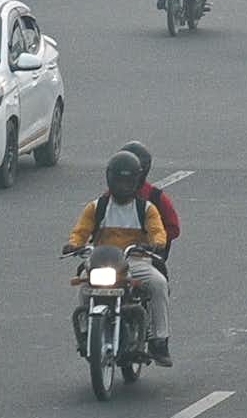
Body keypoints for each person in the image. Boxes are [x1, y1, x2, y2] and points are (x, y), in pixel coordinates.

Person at [63, 151, 172, 366]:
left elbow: (158, 231)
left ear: (137, 181)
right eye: (119, 181)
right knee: (84, 289)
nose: (123, 186)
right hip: (102, 261)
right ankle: (86, 332)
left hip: (135, 261)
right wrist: (74, 244)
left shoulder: (147, 209)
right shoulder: (97, 207)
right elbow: (80, 231)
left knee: (159, 284)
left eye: (128, 181)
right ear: (110, 179)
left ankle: (160, 340)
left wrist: (157, 242)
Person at [118, 139, 182, 271]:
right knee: (85, 275)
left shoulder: (156, 198)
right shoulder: (107, 198)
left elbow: (173, 228)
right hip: (114, 256)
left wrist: (153, 243)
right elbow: (90, 223)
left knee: (157, 282)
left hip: (145, 257)